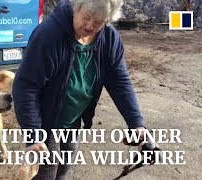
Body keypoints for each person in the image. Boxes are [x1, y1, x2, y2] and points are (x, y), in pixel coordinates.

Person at [12, 0, 148, 179]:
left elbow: (120, 81)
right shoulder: (48, 35)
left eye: (99, 22)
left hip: (73, 119)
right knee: (46, 173)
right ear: (76, 8)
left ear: (108, 20)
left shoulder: (109, 38)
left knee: (63, 169)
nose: (90, 26)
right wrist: (33, 135)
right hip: (45, 120)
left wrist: (136, 123)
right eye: (86, 17)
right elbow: (26, 87)